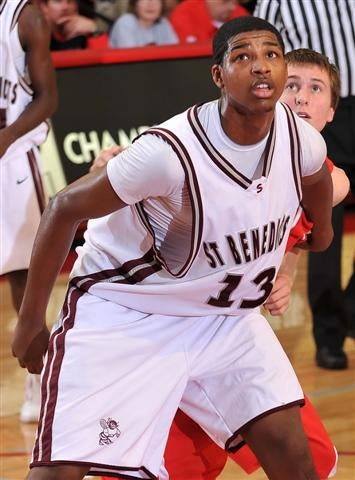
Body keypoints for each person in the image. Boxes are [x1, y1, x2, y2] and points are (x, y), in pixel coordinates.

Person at [12, 16, 334, 480]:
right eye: (243, 56)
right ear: (218, 75)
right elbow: (63, 208)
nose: (261, 67)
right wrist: (29, 322)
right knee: (60, 471)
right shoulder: (169, 152)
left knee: (294, 453)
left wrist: (319, 231)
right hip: (129, 313)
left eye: (271, 55)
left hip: (221, 320)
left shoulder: (297, 136)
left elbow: (319, 174)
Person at [99, 47, 348, 480]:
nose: (302, 98)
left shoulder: (323, 178)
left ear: (331, 112)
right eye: (292, 85)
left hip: (226, 330)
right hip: (157, 324)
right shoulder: (208, 140)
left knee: (312, 459)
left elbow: (296, 228)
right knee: (170, 468)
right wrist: (112, 168)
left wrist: (283, 272)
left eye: (315, 89)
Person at [254, 0, 355, 369]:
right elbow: (260, 48)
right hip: (320, 103)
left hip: (332, 99)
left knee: (323, 196)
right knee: (323, 211)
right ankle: (329, 336)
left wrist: (286, 267)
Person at [0, 0, 57, 423]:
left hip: (12, 157)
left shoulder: (26, 16)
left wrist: (6, 138)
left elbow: (47, 97)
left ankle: (39, 379)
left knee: (25, 275)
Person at [170, 0, 249, 44]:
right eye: (225, 1)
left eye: (235, 2)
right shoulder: (185, 13)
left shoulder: (240, 14)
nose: (232, 7)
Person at [39, 0, 108, 50]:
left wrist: (94, 30)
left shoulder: (87, 31)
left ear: (76, 6)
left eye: (70, 1)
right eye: (58, 1)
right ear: (44, 6)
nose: (65, 7)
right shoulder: (36, 37)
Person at [109, 0, 178, 49]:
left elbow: (175, 52)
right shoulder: (125, 23)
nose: (150, 4)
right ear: (135, 4)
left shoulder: (163, 23)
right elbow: (131, 60)